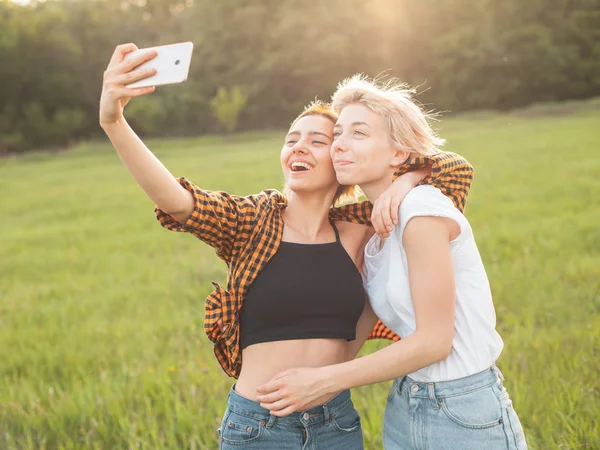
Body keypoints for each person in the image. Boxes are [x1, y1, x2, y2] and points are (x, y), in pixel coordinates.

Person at [99, 45, 475, 448]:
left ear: (340, 157)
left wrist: (403, 181)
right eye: (291, 139)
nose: (298, 147)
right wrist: (114, 121)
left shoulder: (360, 227)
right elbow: (176, 200)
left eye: (317, 141)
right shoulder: (251, 221)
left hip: (337, 424)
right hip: (260, 427)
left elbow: (455, 172)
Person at [256, 75, 528, 450]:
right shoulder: (373, 235)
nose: (339, 145)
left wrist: (325, 380)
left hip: (463, 410)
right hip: (405, 404)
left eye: (359, 133)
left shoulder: (421, 208)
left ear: (398, 153)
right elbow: (355, 328)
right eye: (337, 134)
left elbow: (435, 343)